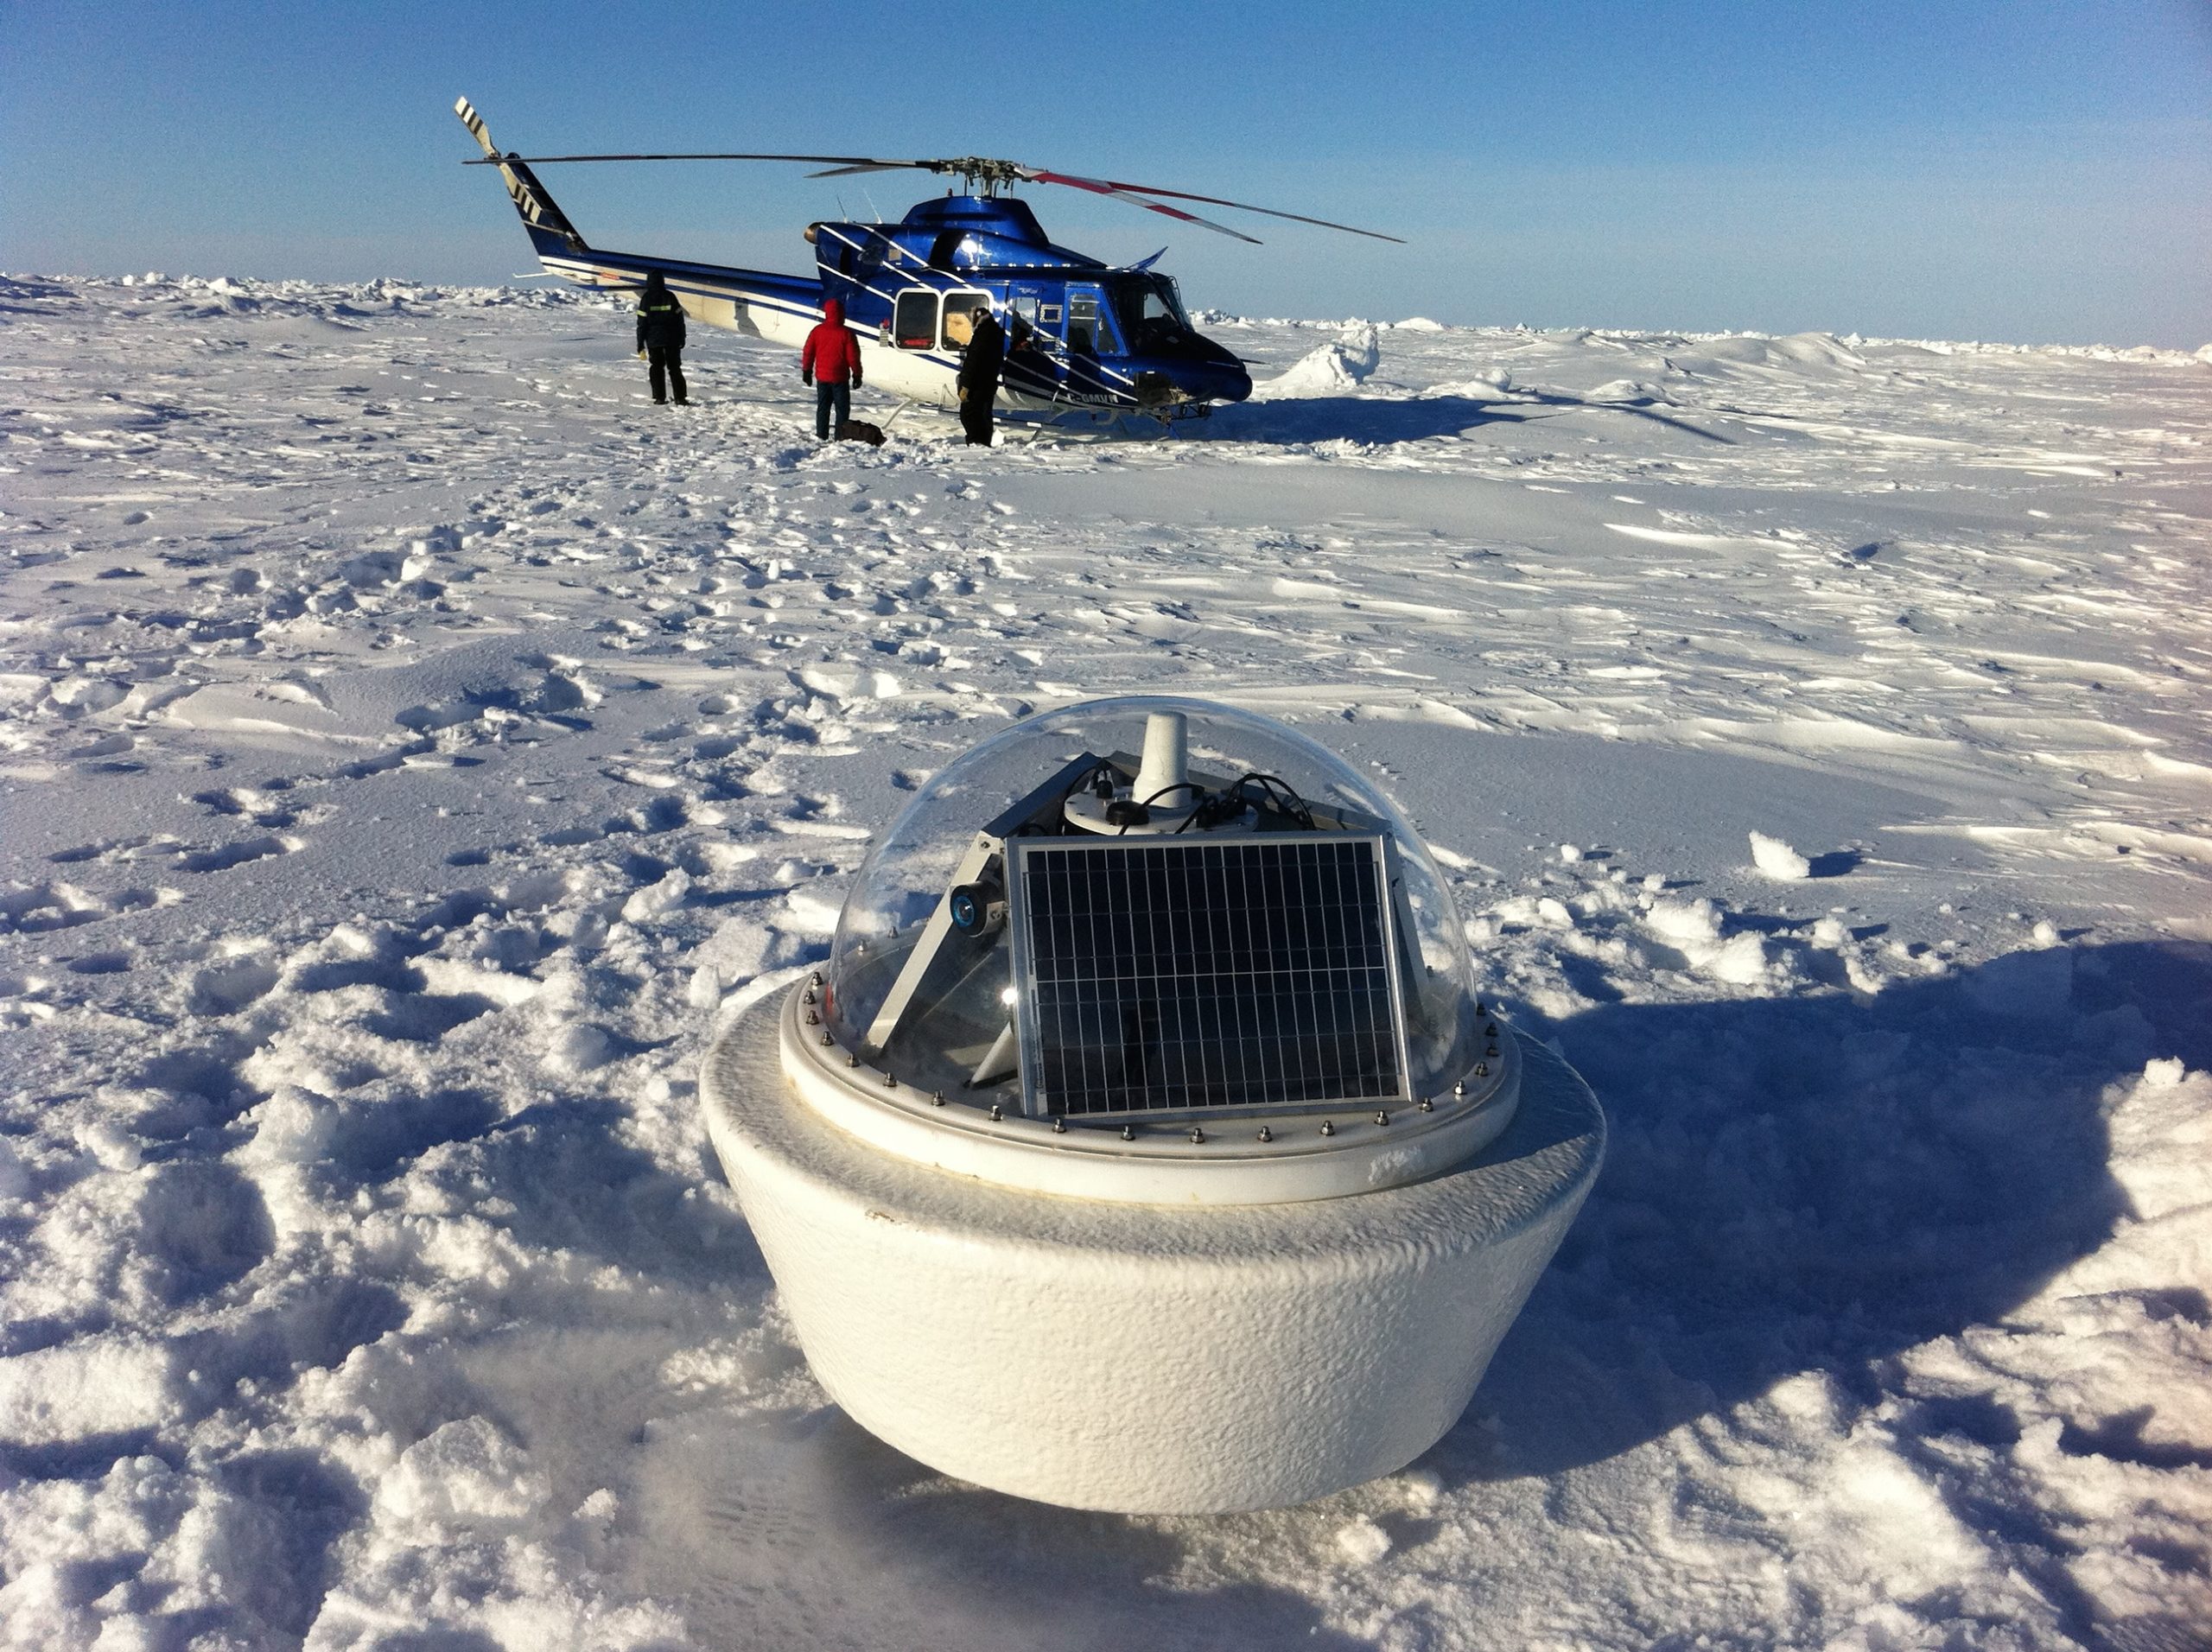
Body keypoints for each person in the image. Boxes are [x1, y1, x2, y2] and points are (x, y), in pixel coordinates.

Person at [801, 297, 863, 439]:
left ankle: (821, 435)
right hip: (840, 379)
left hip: (822, 378)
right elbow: (853, 356)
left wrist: (807, 371)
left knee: (823, 408)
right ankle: (840, 437)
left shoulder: (817, 331)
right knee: (842, 410)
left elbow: (808, 352)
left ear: (827, 313)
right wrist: (857, 374)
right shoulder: (846, 333)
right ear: (842, 313)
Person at [635, 270, 688, 405]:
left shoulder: (646, 299)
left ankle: (659, 398)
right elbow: (679, 320)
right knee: (675, 368)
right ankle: (680, 398)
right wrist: (682, 337)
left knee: (657, 368)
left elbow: (642, 323)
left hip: (654, 340)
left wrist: (640, 343)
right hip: (672, 339)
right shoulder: (670, 296)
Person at [957, 302, 1004, 446]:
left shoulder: (982, 336)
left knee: (968, 414)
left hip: (977, 384)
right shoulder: (995, 333)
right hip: (989, 383)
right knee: (984, 414)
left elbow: (973, 362)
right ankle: (984, 440)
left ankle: (976, 441)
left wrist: (965, 385)